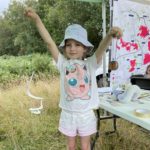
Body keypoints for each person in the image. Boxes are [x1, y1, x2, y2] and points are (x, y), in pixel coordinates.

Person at [25, 8, 122, 150]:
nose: (72, 48)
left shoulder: (91, 64)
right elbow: (49, 43)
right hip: (68, 114)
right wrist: (37, 19)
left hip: (86, 115)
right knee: (70, 146)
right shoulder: (63, 63)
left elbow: (102, 47)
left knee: (85, 146)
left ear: (85, 49)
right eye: (68, 44)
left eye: (77, 44)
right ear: (64, 48)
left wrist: (109, 35)